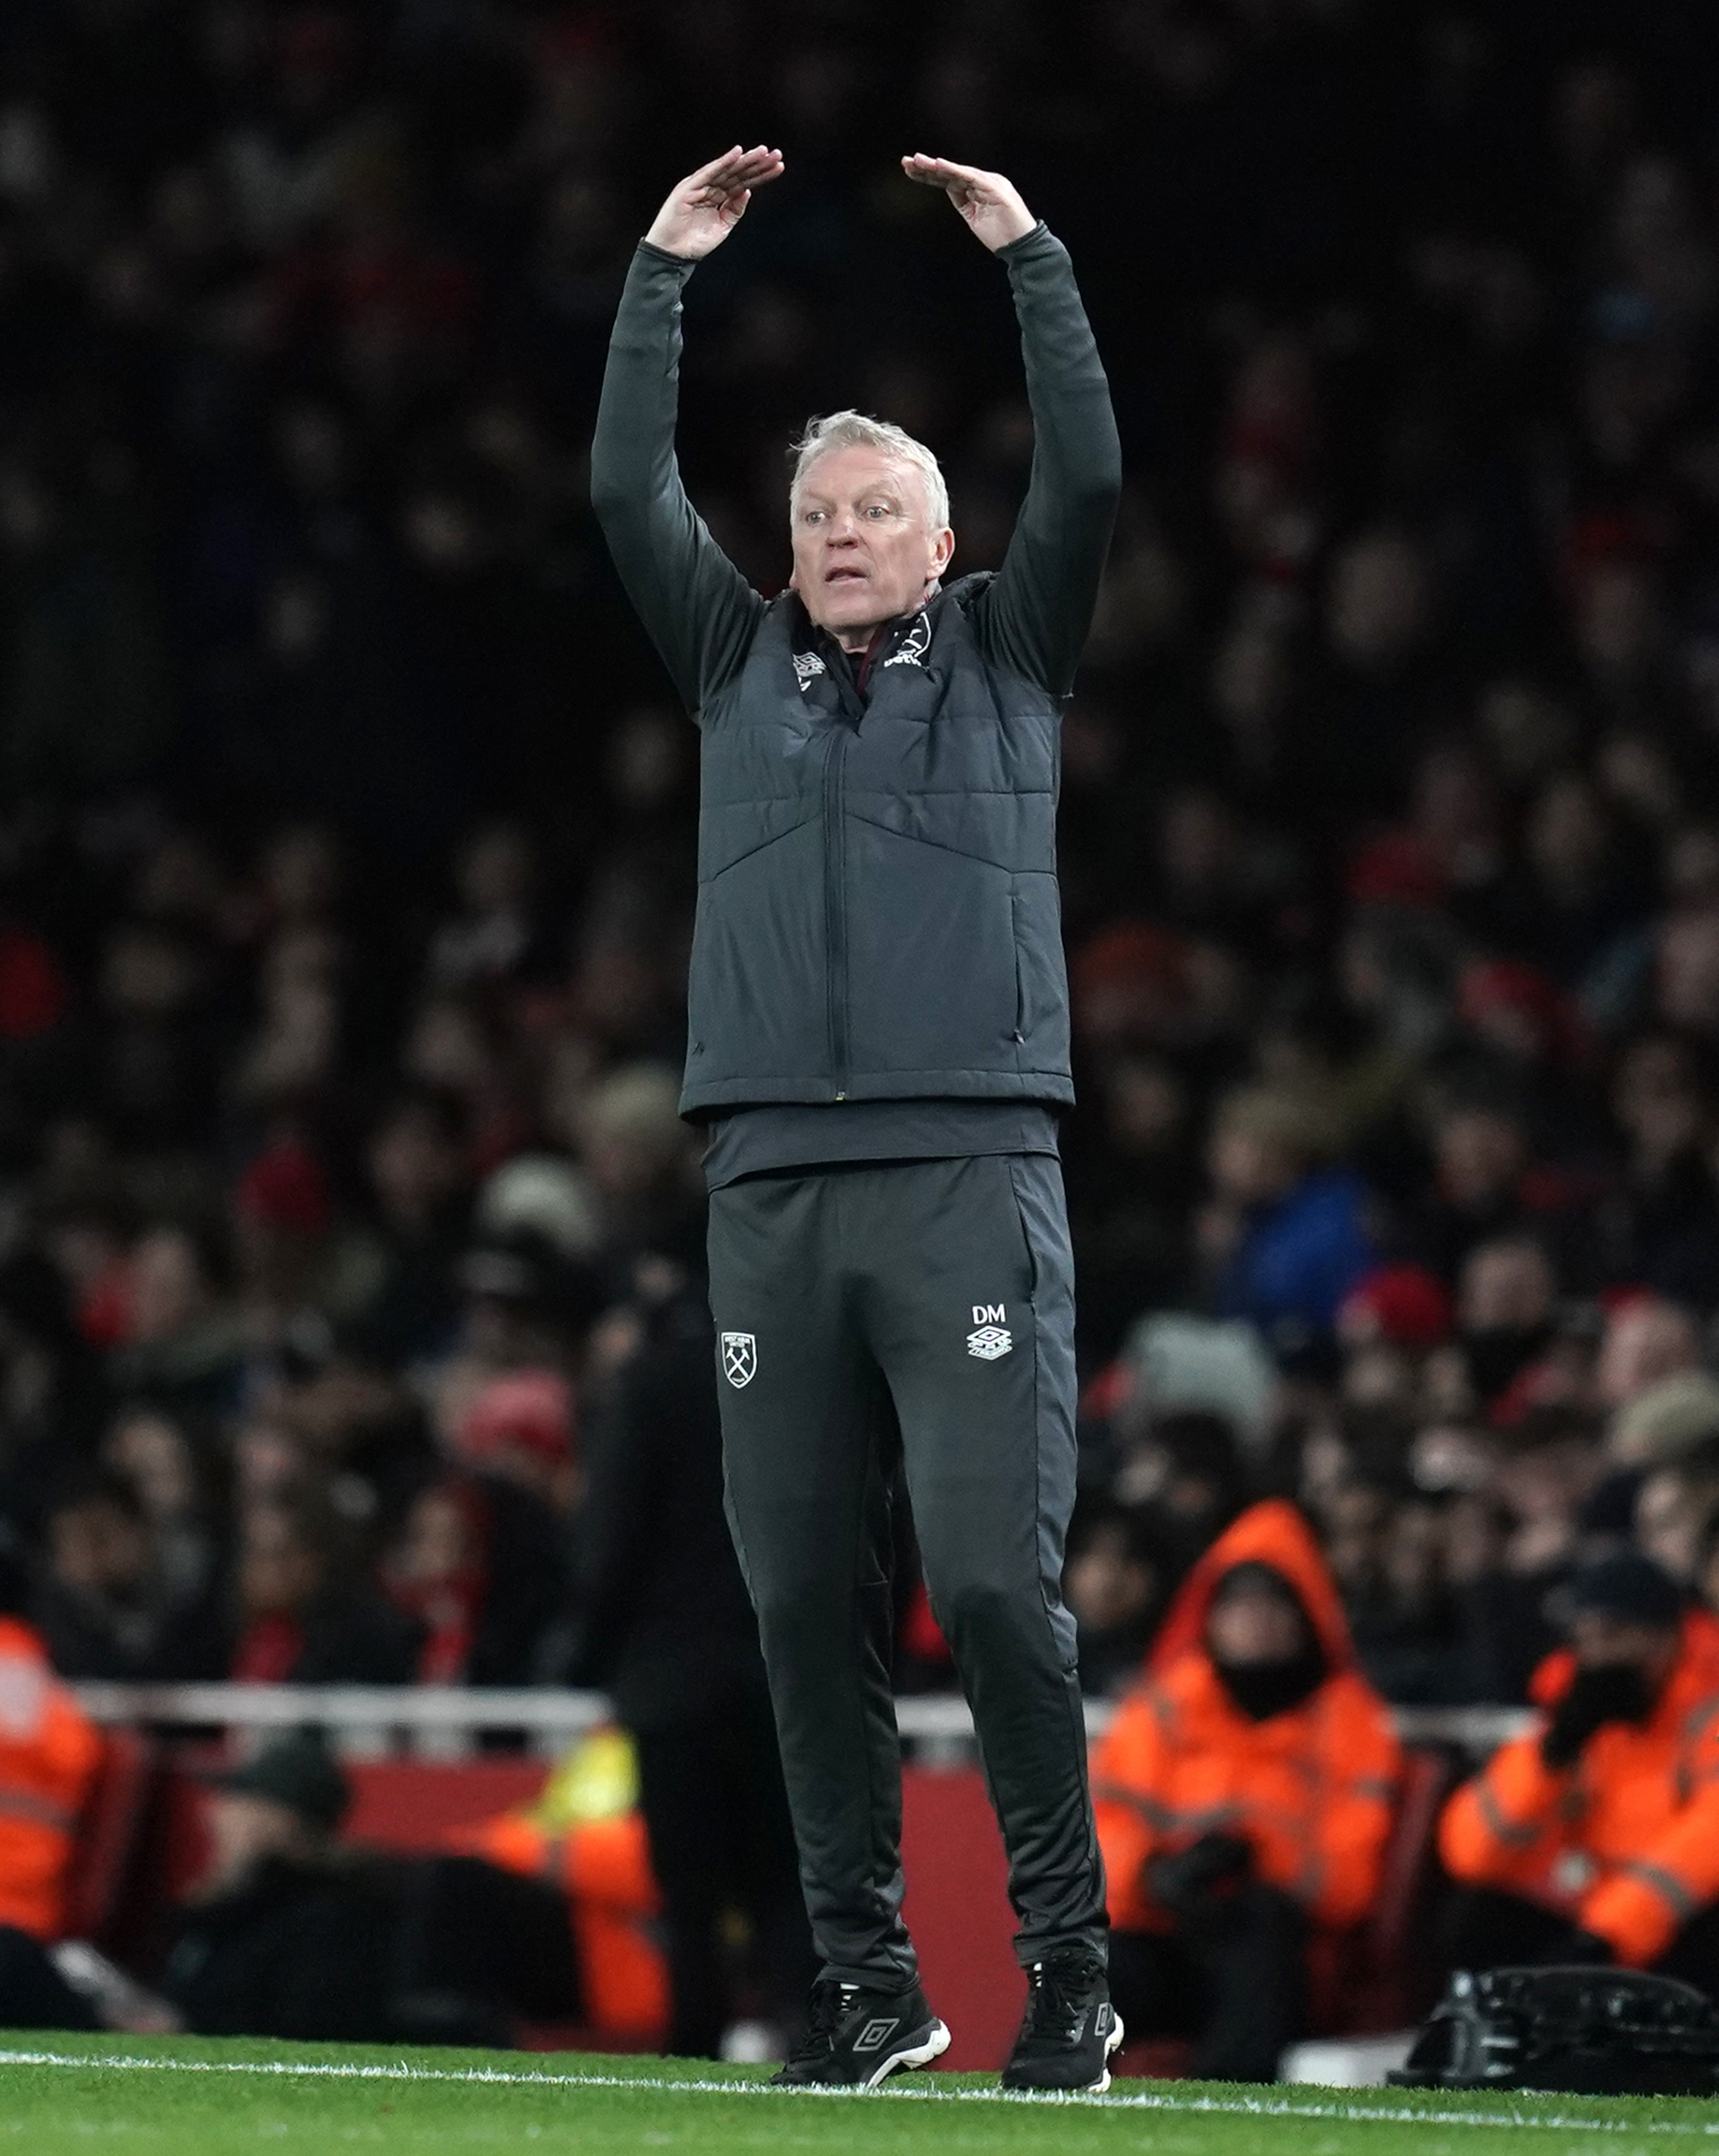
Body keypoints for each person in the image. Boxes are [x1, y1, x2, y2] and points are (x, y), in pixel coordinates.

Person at [591, 144, 1122, 2090]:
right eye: (815, 510)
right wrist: (661, 272)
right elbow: (622, 492)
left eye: (874, 507)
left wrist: (1031, 257)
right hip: (769, 1177)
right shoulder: (732, 660)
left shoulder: (1011, 650)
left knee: (986, 1584)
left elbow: (1092, 479)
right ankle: (867, 1983)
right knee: (801, 1598)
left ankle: (1068, 1967)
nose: (837, 532)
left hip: (965, 1163)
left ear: (939, 534)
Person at [573, 1277, 813, 2059]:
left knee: (689, 1896)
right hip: (785, 1675)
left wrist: (589, 1657)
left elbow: (613, 1536)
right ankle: (809, 2034)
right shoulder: (801, 1375)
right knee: (786, 1878)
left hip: (673, 1681)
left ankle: (694, 2046)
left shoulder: (649, 1386)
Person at [1091, 1500, 1402, 2081]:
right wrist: (1156, 1874)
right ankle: (1027, 2106)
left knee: (1259, 1939)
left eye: (1272, 1603)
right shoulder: (1162, 1707)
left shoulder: (1350, 1723)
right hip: (1162, 1927)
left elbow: (1349, 1879)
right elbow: (1106, 1828)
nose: (1253, 1620)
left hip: (1280, 1946)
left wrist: (1252, 1867)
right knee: (1087, 1967)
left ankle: (1223, 2112)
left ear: (1308, 1613)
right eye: (1236, 1603)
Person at [1440, 1551, 1719, 1989]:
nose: (1597, 1653)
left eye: (1614, 1634)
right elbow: (1473, 1854)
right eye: (1584, 1637)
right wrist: (1550, 1754)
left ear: (1667, 1637)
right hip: (1589, 1908)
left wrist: (1608, 1934)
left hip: (1664, 1930)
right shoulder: (1583, 1712)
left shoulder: (1707, 1714)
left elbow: (1704, 1846)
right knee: (1479, 1917)